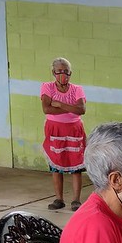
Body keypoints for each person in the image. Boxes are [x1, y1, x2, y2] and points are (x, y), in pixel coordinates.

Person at [40, 57, 86, 211]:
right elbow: (46, 109)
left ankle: (76, 200)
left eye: (66, 71)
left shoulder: (77, 89)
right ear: (53, 72)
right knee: (56, 165)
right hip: (55, 130)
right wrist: (71, 108)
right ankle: (59, 199)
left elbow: (81, 110)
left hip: (74, 130)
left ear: (70, 73)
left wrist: (60, 104)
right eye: (59, 71)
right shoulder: (47, 87)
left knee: (76, 166)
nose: (63, 74)